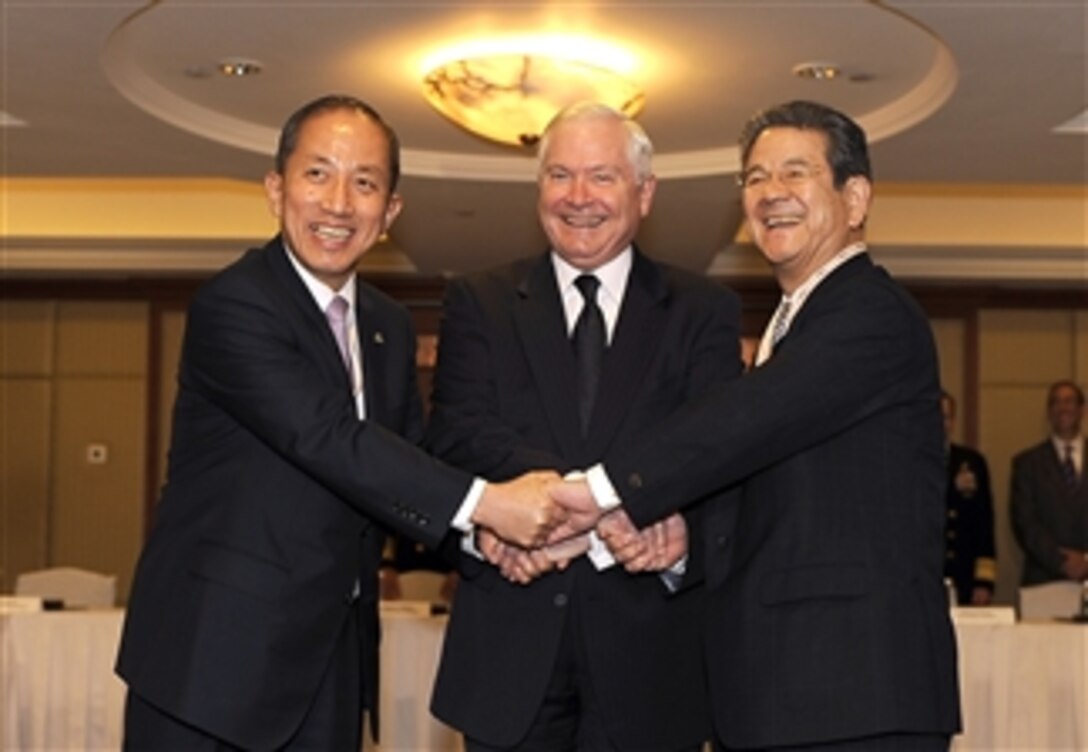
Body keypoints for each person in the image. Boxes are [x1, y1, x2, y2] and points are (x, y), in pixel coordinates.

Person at [115, 94, 562, 751]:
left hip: (330, 663)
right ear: (276, 189)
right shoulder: (236, 305)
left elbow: (403, 461)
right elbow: (326, 437)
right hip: (209, 664)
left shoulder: (386, 324)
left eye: (365, 183)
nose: (338, 204)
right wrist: (489, 505)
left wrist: (477, 541)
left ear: (390, 212)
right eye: (317, 174)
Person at [551, 100, 961, 750]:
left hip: (854, 699)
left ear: (855, 199)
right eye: (755, 178)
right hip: (779, 698)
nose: (772, 194)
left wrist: (600, 490)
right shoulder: (788, 326)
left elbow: (746, 421)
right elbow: (767, 480)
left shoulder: (871, 315)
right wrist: (680, 535)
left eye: (795, 174)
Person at [424, 102, 743, 751]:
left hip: (653, 668)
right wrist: (590, 503)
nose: (578, 198)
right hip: (508, 652)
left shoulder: (703, 311)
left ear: (644, 192)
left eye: (601, 176)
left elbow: (717, 456)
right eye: (560, 176)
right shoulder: (478, 301)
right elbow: (458, 435)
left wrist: (601, 517)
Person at [1010, 379, 1088, 585]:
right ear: (1049, 412)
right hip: (1044, 579)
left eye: (1069, 401)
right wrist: (1061, 561)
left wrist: (1086, 561)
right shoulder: (1027, 464)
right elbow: (1025, 522)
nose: (1063, 408)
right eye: (1055, 402)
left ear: (1082, 409)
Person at [940, 390, 997, 605]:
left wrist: (984, 580)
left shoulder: (971, 462)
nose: (940, 423)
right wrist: (950, 489)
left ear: (953, 422)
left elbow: (984, 524)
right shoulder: (912, 462)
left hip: (964, 575)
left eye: (946, 417)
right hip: (926, 573)